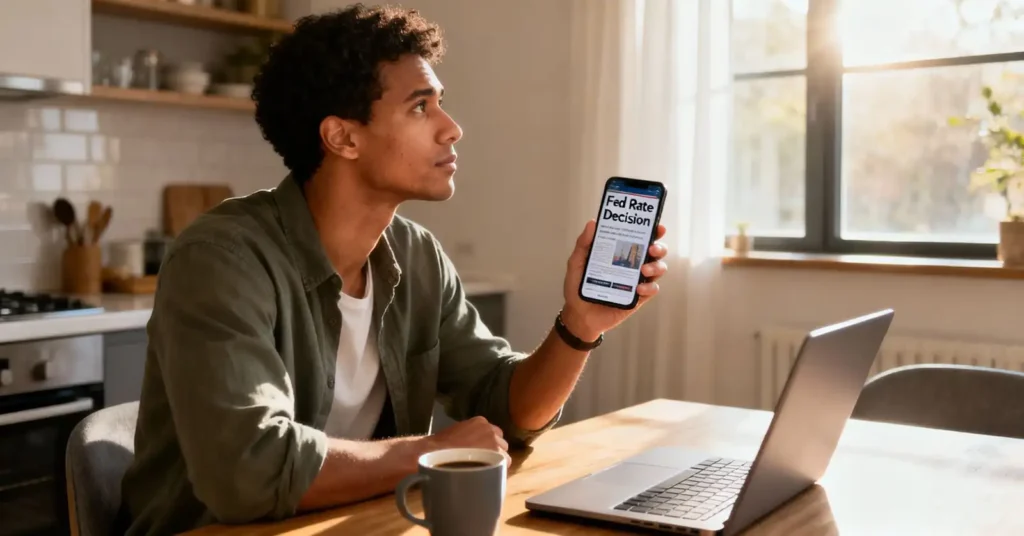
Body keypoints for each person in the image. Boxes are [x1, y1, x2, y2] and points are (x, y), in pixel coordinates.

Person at [117, 4, 668, 535]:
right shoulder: (222, 259)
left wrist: (580, 325)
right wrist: (426, 452)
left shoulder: (415, 255)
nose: (452, 129)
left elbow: (508, 411)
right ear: (343, 137)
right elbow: (249, 470)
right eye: (420, 107)